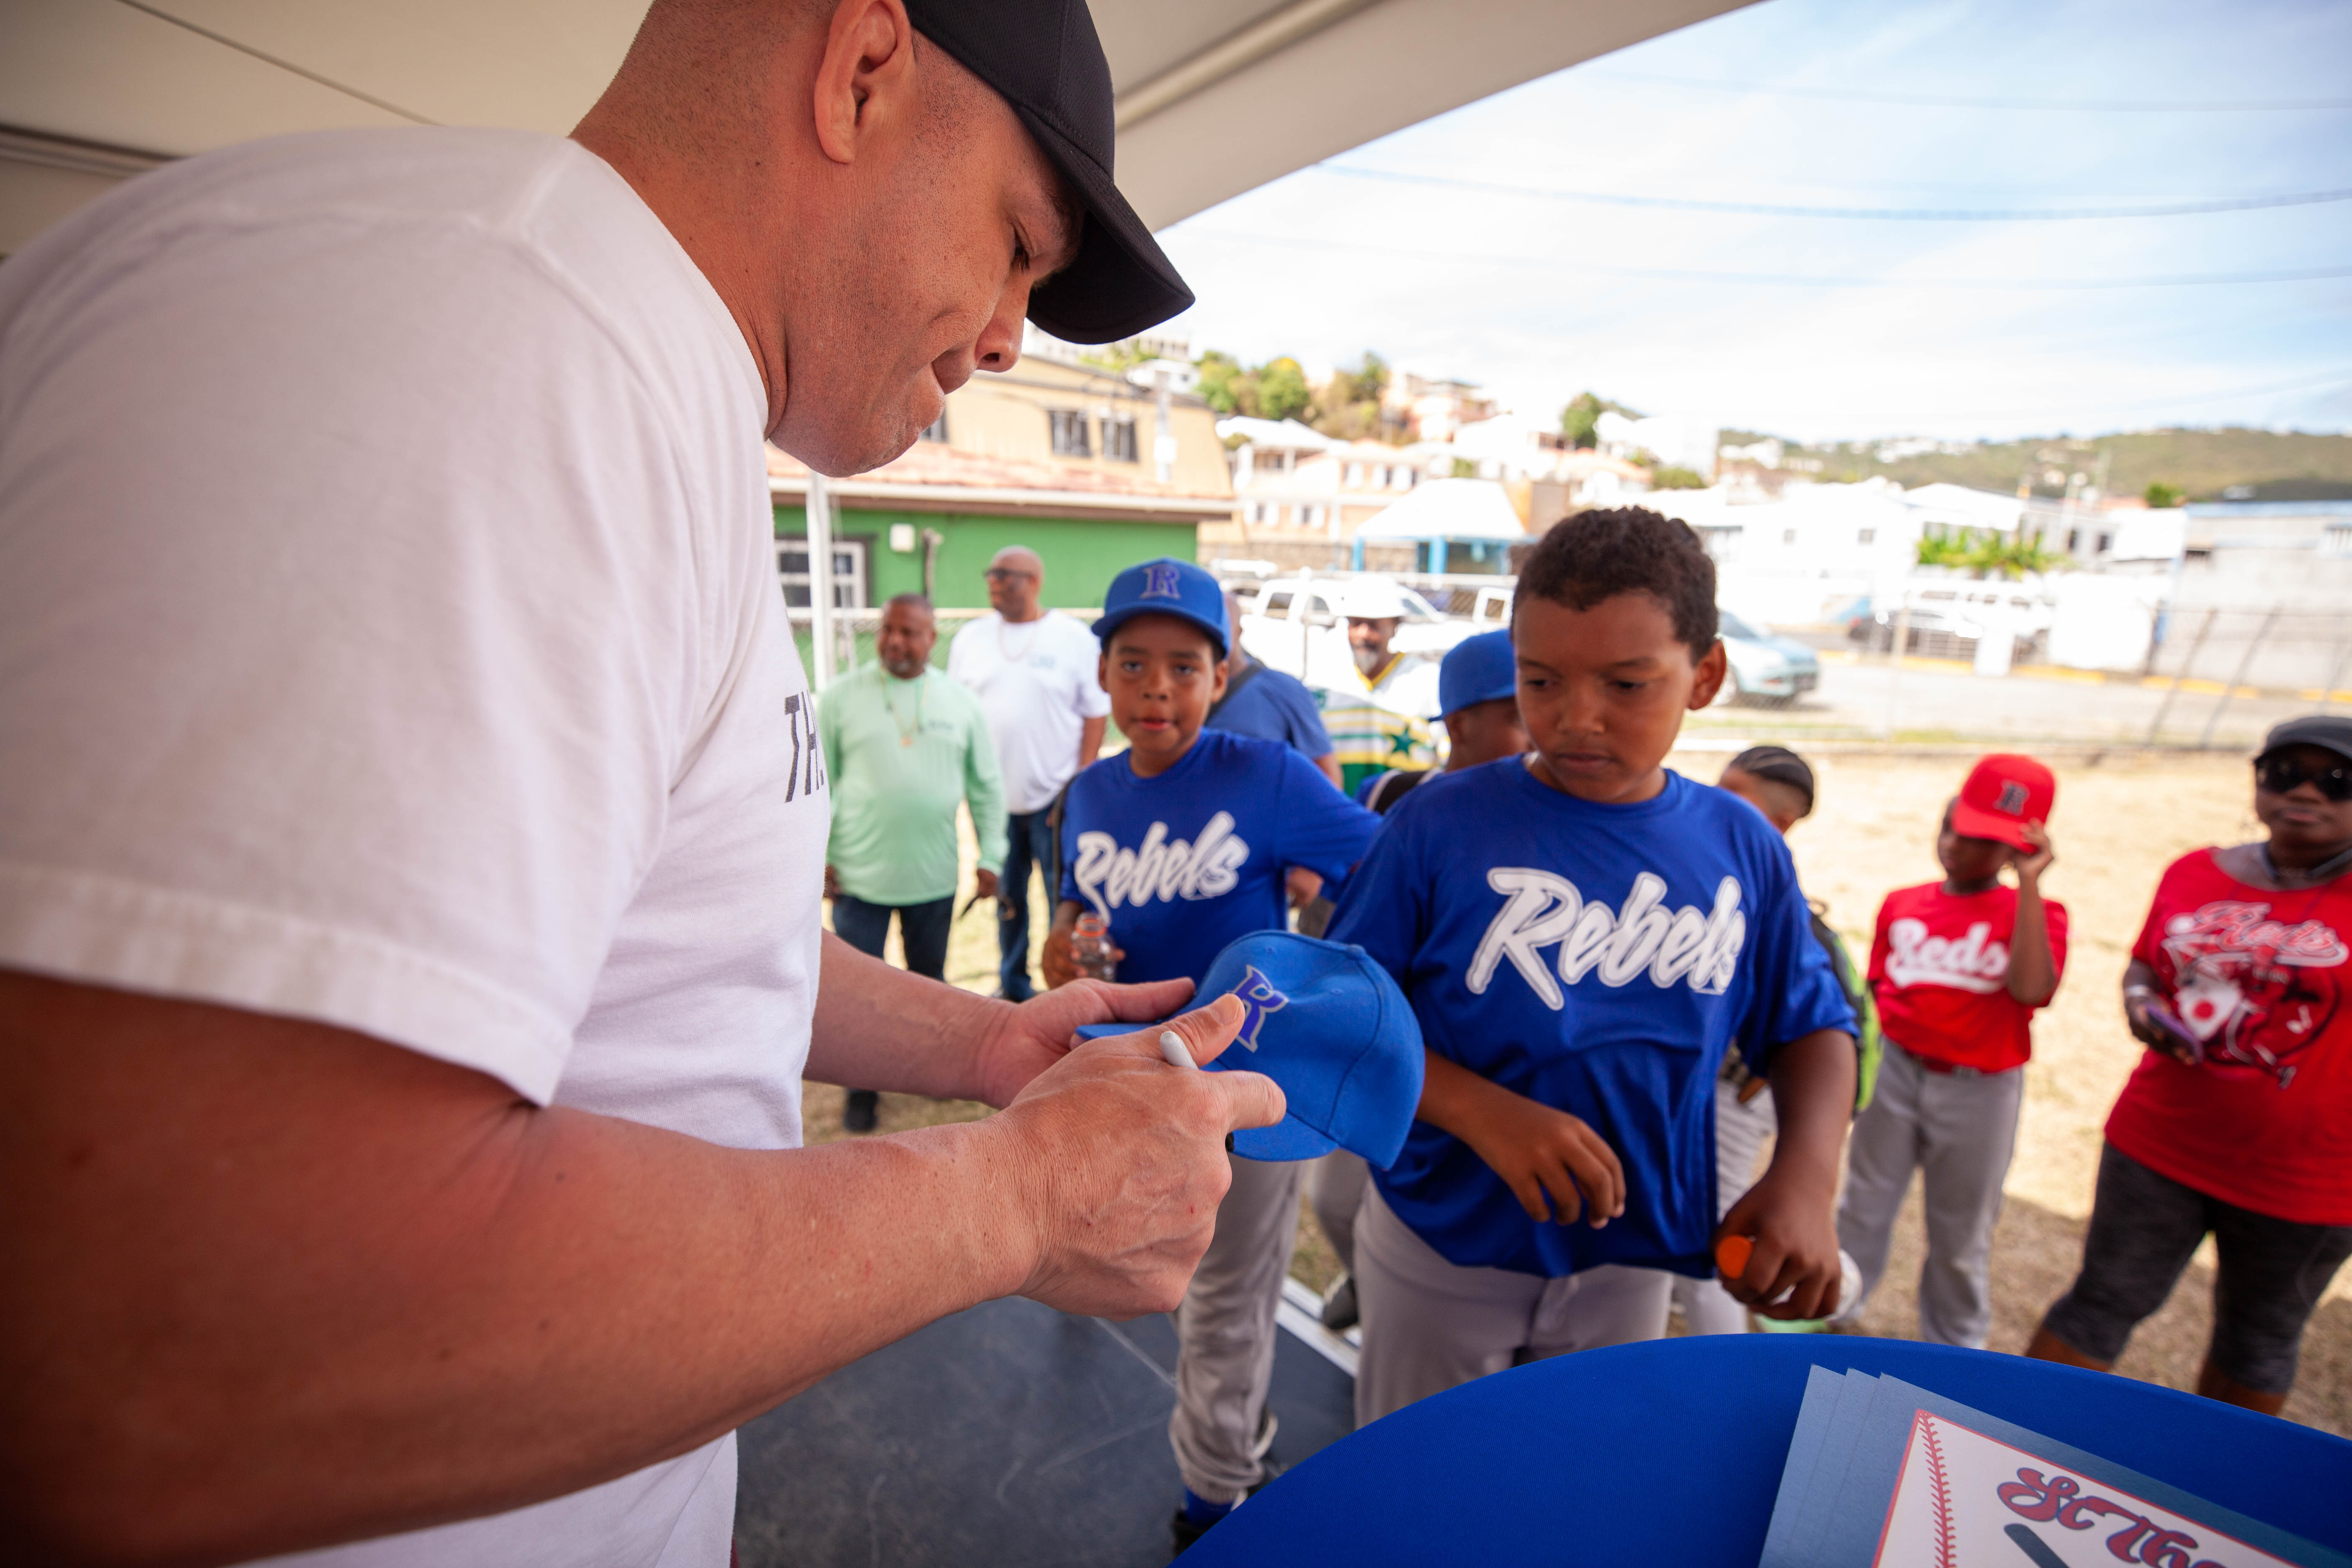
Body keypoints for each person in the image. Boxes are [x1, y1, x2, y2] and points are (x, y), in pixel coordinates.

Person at [0, 3, 1293, 1563]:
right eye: (1016, 242)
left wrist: (991, 1041)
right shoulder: (510, 339)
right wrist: (1012, 1202)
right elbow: (175, 1350)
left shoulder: (620, 378)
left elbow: (673, 925)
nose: (1010, 332)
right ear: (861, 67)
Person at [1326, 508, 1859, 1428]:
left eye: (1626, 682)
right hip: (1446, 1244)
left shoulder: (1740, 844)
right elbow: (1339, 1016)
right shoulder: (1438, 825)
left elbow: (1811, 1023)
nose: (1578, 717)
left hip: (1634, 1253)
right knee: (1426, 1493)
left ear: (1705, 676)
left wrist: (1806, 1177)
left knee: (1582, 1484)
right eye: (1541, 680)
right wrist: (1478, 1109)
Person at [1036, 557, 1380, 1554]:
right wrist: (1067, 942)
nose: (1156, 688)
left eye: (1183, 666)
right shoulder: (1090, 792)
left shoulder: (1262, 775)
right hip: (1129, 1072)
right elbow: (1074, 908)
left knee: (1229, 1293)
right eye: (1133, 662)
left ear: (1219, 676)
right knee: (1149, 1275)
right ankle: (1229, 1448)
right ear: (1102, 673)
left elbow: (1384, 864)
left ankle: (1215, 1490)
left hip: (1246, 1085)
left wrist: (1326, 978)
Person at [2028, 715, 2352, 1416]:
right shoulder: (2196, 870)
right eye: (2282, 772)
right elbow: (2146, 960)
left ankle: (2217, 1494)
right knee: (2101, 1300)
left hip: (2308, 1179)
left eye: (2336, 780)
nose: (2305, 791)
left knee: (2259, 1339)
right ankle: (2011, 1440)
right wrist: (2142, 1002)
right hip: (2160, 1145)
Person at [1308, 626, 1529, 1333]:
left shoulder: (1550, 813)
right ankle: (1372, 1283)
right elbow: (1337, 920)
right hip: (1396, 1055)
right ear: (1460, 722)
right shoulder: (1394, 796)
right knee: (1338, 1199)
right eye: (1522, 710)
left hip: (1497, 1070)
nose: (1545, 729)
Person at [1833, 755, 2067, 1349]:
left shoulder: (2035, 914)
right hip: (1899, 1071)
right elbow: (1879, 994)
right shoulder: (1904, 902)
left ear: (2017, 850)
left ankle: (1957, 1346)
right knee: (1864, 1204)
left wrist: (2032, 885)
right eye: (1951, 829)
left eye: (1984, 841)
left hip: (1980, 1087)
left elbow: (2031, 989)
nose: (1958, 846)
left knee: (1962, 1230)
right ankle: (1832, 1312)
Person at [1669, 745, 1881, 1336]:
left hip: (1744, 1088)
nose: (1716, 798)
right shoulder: (1729, 860)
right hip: (1730, 1086)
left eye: (1736, 792)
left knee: (1715, 1232)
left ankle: (1739, 1345)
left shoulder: (1760, 880)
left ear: (1782, 822)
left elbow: (1813, 1011)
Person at [820, 593, 1007, 1132]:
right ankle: (862, 1091)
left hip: (932, 876)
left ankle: (934, 1074)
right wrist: (822, 856)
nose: (895, 641)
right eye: (887, 630)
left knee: (930, 984)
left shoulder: (959, 702)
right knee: (858, 998)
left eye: (909, 632)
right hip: (857, 875)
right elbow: (819, 786)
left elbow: (987, 786)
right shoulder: (839, 698)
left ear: (932, 639)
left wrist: (991, 856)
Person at [947, 544, 1110, 1000]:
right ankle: (1014, 984)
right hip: (993, 803)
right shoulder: (970, 640)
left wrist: (1078, 787)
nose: (995, 582)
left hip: (1054, 800)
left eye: (1007, 575)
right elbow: (957, 714)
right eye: (991, 573)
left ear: (1034, 582)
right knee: (1008, 899)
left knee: (1063, 900)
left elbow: (1097, 714)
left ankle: (1064, 988)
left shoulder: (1073, 639)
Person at [1316, 579, 1441, 795]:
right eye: (1356, 624)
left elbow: (1446, 754)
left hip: (1407, 814)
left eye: (1374, 626)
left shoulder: (1427, 680)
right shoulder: (1323, 683)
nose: (1363, 635)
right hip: (1343, 814)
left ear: (1395, 628)